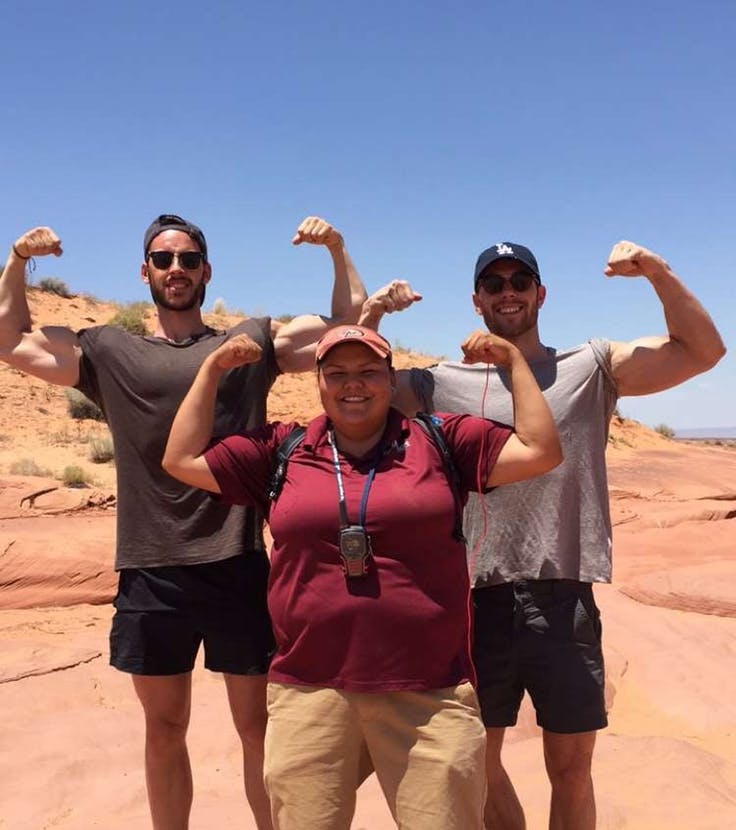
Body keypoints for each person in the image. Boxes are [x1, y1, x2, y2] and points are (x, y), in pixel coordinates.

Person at [0, 214, 367, 830]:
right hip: (150, 569)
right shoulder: (109, 350)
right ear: (145, 271)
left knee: (257, 728)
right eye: (164, 260)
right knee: (165, 728)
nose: (177, 270)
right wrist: (15, 261)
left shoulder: (247, 344)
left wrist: (336, 249)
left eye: (189, 260)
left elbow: (345, 328)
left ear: (206, 271)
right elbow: (12, 341)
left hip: (237, 564)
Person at [360, 240, 726, 829]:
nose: (509, 291)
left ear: (540, 293)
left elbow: (703, 351)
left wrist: (656, 272)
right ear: (477, 300)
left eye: (520, 280)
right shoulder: (435, 383)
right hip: (474, 597)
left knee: (573, 769)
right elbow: (361, 384)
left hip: (564, 594)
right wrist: (374, 314)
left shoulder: (591, 366)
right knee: (475, 762)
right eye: (495, 283)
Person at [161, 323, 562, 830]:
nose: (354, 384)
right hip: (310, 692)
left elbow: (541, 450)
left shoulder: (440, 440)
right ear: (319, 382)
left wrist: (515, 364)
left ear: (391, 380)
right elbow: (180, 459)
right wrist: (211, 369)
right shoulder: (282, 448)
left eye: (369, 371)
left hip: (428, 695)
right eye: (338, 373)